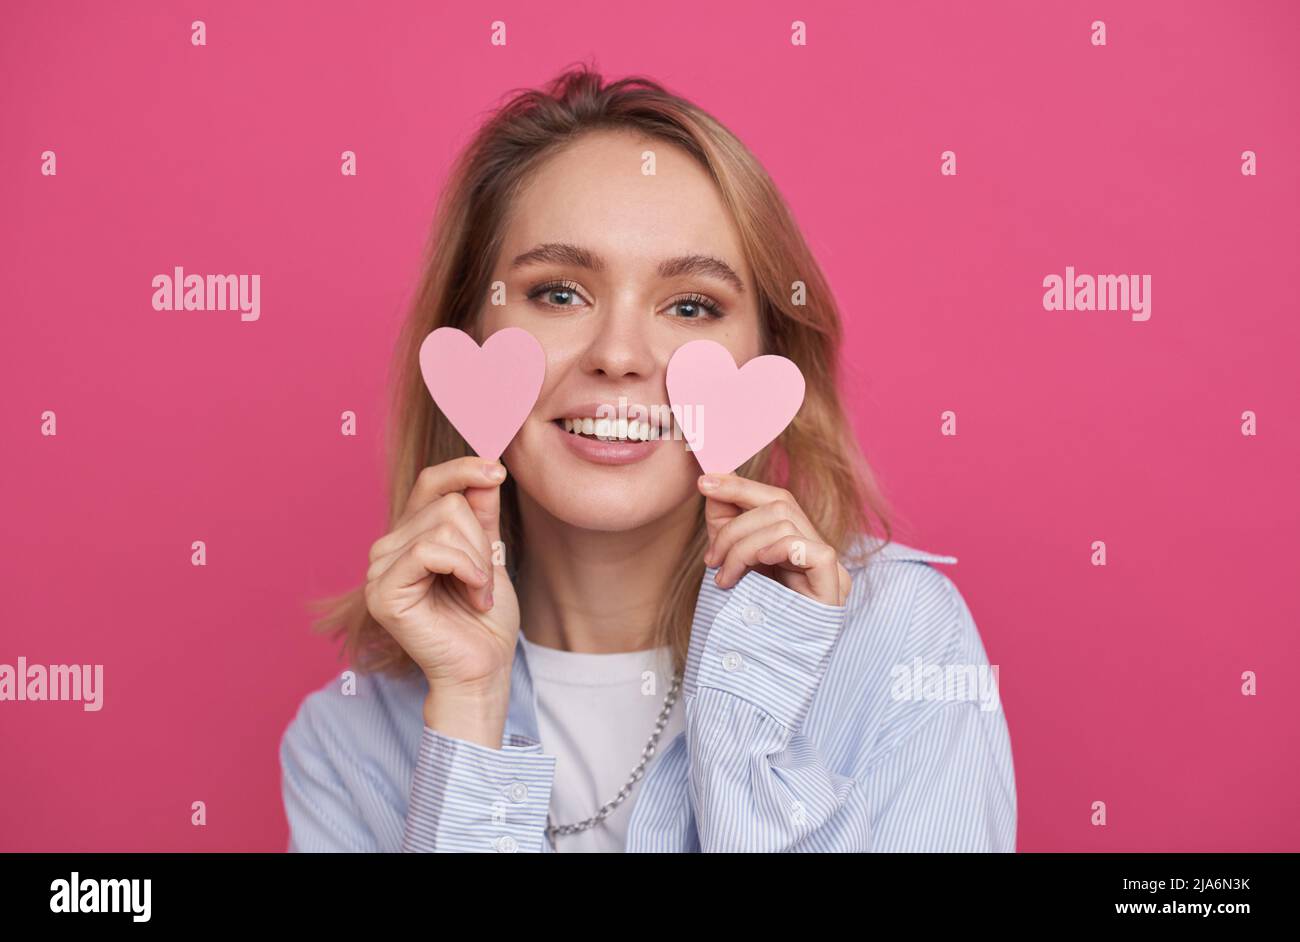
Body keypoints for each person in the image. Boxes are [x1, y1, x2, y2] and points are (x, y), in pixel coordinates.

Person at [279, 64, 1016, 853]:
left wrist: (748, 709)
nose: (620, 355)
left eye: (692, 305)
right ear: (472, 333)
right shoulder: (346, 745)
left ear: (770, 360)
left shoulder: (903, 645)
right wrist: (470, 705)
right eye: (559, 293)